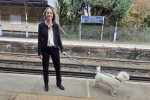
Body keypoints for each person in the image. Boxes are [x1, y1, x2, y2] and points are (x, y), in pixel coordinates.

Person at [38, 7, 66, 92]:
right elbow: (39, 40)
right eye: (48, 13)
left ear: (53, 15)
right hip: (45, 50)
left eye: (51, 13)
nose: (49, 14)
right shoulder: (41, 26)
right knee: (45, 68)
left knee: (57, 68)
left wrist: (62, 49)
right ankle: (46, 85)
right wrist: (39, 52)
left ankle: (59, 83)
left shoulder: (56, 26)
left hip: (54, 49)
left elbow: (58, 39)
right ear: (45, 15)